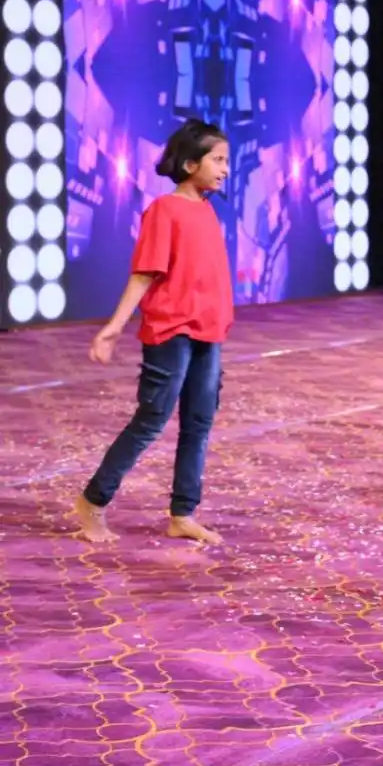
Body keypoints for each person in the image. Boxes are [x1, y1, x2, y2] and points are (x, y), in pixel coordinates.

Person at [74, 119, 234, 545]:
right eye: (218, 160)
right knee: (152, 419)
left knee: (199, 422)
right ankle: (92, 501)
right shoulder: (165, 210)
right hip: (171, 331)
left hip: (208, 332)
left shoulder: (206, 210)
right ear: (189, 164)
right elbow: (144, 274)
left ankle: (183, 513)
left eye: (227, 161)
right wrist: (113, 328)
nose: (225, 169)